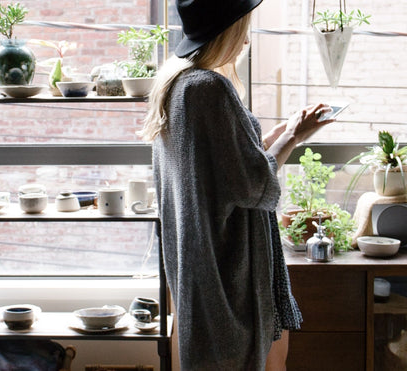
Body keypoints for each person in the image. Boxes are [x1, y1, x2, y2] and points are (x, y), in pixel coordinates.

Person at [140, 0, 336, 369]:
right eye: (243, 28)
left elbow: (224, 169)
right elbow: (255, 185)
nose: (246, 41)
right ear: (226, 29)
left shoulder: (177, 84)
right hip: (228, 278)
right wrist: (294, 136)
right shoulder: (209, 88)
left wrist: (280, 132)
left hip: (198, 275)